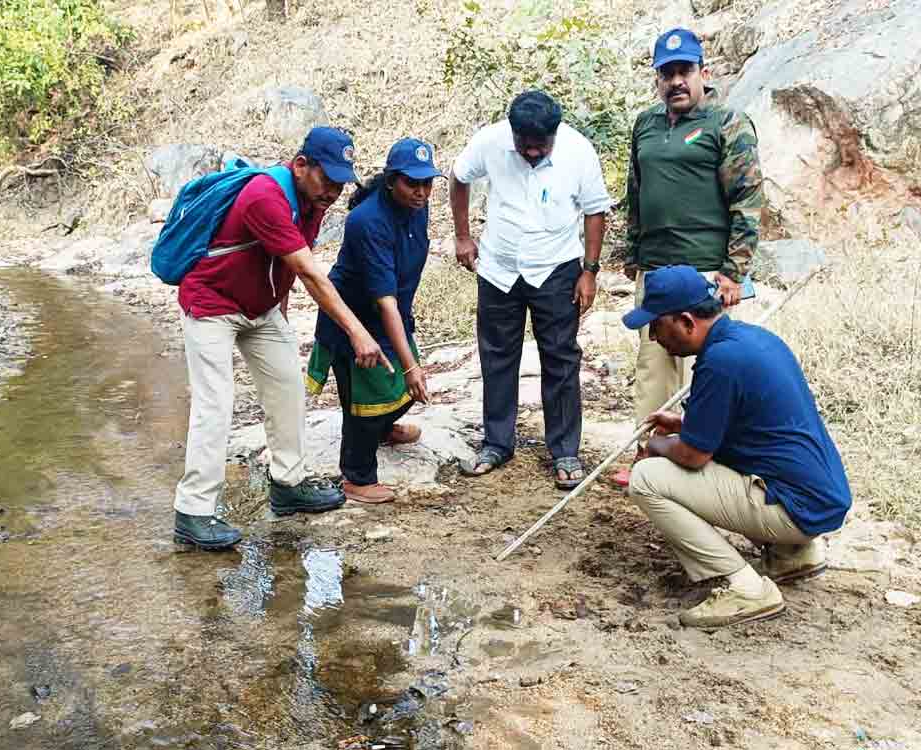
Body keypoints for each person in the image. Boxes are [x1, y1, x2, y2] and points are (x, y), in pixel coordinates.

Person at [172, 126, 391, 551]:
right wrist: (359, 333)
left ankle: (288, 486)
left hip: (261, 309)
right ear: (300, 164)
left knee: (288, 389)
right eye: (327, 180)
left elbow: (288, 264)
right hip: (211, 305)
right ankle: (193, 513)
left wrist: (279, 315)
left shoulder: (312, 200)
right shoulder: (264, 197)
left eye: (340, 184)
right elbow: (310, 272)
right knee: (215, 405)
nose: (332, 192)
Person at [621, 266, 851, 630]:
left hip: (795, 508)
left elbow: (694, 457)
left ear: (685, 321)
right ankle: (793, 555)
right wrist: (685, 426)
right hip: (818, 499)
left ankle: (745, 588)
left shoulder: (720, 364)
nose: (653, 335)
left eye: (656, 325)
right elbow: (749, 426)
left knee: (647, 477)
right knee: (681, 459)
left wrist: (656, 445)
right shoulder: (753, 339)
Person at [611, 28, 766, 488]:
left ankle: (710, 455)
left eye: (684, 71)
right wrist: (634, 250)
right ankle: (648, 456)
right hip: (657, 271)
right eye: (667, 73)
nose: (676, 81)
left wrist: (735, 270)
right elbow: (635, 192)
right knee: (654, 365)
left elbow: (748, 198)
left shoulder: (728, 122)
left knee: (714, 367)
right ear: (657, 79)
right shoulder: (645, 125)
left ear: (704, 72)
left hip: (707, 269)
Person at [449, 90, 612, 489]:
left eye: (543, 146)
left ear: (556, 134)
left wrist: (588, 271)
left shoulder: (578, 151)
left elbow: (594, 211)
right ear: (513, 133)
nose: (535, 153)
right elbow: (458, 177)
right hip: (499, 268)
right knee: (497, 355)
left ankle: (565, 451)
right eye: (527, 146)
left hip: (556, 268)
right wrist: (462, 236)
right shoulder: (490, 142)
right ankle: (497, 443)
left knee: (560, 356)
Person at [306, 137, 443, 505]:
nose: (421, 192)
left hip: (394, 314)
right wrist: (410, 364)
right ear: (390, 180)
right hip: (354, 321)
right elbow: (383, 300)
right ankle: (356, 477)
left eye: (427, 183)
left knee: (405, 387)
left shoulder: (418, 208)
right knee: (363, 401)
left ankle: (385, 429)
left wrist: (410, 363)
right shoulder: (367, 222)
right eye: (411, 184)